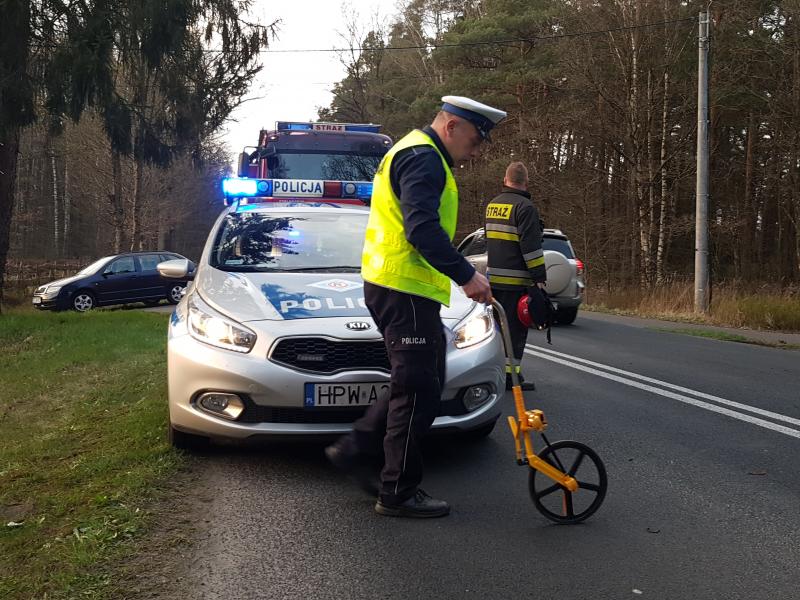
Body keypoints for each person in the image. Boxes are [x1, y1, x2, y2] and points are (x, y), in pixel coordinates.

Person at [326, 96, 506, 518]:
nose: (476, 149)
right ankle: (398, 492)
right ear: (452, 126)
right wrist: (467, 275)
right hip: (402, 289)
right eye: (475, 138)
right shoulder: (423, 158)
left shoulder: (420, 153)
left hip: (403, 288)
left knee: (422, 379)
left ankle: (356, 449)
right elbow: (421, 229)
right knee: (418, 390)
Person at [485, 161, 546, 392]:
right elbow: (531, 248)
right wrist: (539, 276)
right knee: (515, 332)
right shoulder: (525, 207)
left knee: (496, 330)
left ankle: (494, 372)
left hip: (493, 281)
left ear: (505, 180)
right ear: (526, 182)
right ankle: (512, 378)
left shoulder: (492, 205)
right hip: (516, 282)